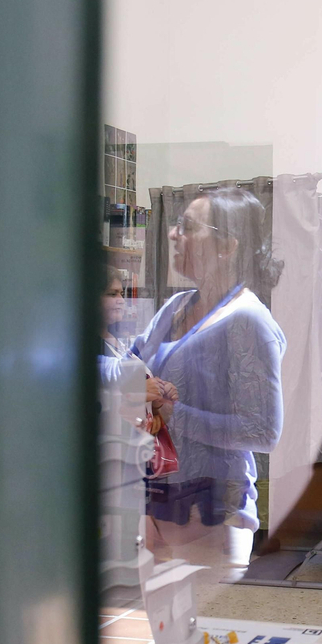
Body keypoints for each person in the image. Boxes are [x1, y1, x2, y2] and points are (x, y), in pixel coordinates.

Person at [132, 186, 285, 569]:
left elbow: (262, 431)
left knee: (205, 630)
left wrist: (171, 412)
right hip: (156, 502)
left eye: (187, 226)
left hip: (210, 514)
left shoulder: (247, 320)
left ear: (227, 246)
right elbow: (131, 367)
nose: (172, 234)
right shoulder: (176, 305)